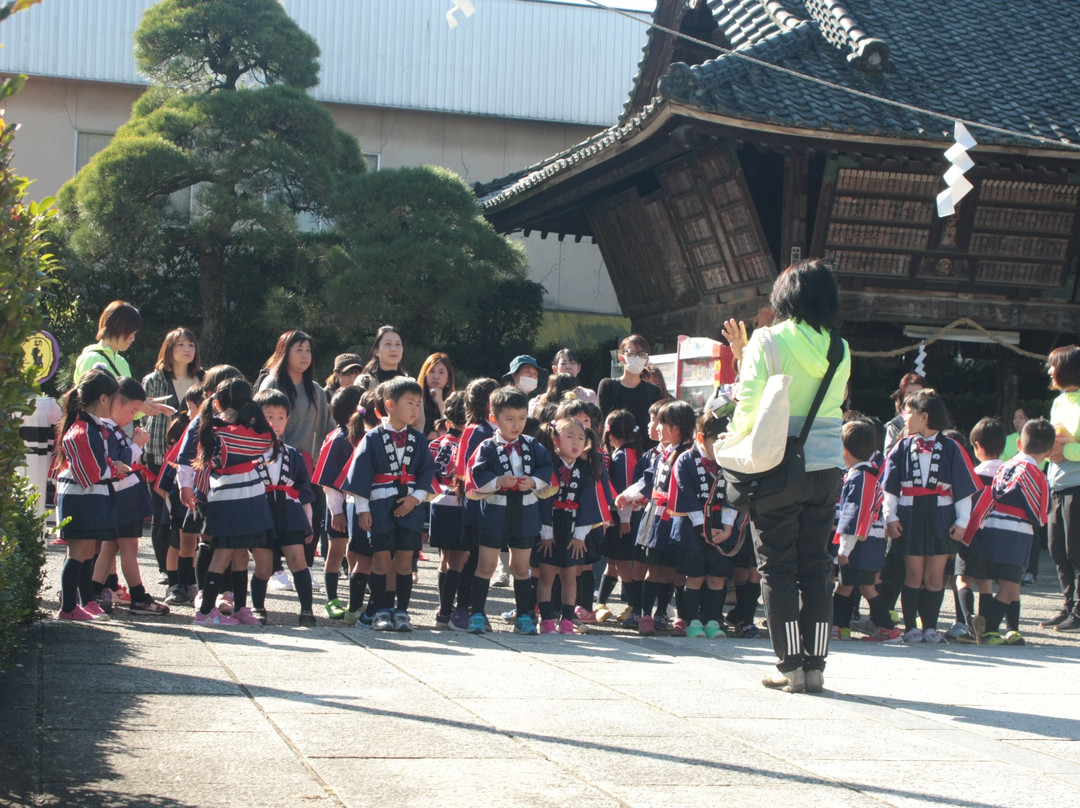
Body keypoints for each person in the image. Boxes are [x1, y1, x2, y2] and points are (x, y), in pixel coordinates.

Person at [728, 259, 851, 694]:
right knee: (817, 566)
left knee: (776, 567)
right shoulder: (840, 347)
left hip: (779, 467)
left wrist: (734, 445)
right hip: (827, 468)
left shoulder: (768, 340)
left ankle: (790, 666)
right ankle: (816, 666)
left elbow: (748, 404)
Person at [882, 389, 982, 645]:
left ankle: (931, 627)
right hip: (910, 513)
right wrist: (890, 516)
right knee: (913, 574)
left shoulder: (951, 447)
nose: (904, 417)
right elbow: (889, 486)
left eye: (909, 412)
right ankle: (910, 628)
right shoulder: (902, 446)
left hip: (941, 515)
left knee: (936, 576)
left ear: (924, 416)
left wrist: (962, 522)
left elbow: (963, 488)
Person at [341, 377, 434, 632]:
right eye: (410, 403)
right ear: (390, 404)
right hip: (380, 504)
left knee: (405, 561)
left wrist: (415, 498)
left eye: (419, 404)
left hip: (410, 505)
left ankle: (402, 611)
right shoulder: (371, 438)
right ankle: (381, 611)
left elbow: (428, 471)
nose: (416, 409)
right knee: (380, 560)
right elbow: (359, 475)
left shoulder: (418, 438)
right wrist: (362, 509)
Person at [183, 377, 279, 626]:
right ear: (250, 402)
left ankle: (239, 607)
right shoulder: (257, 431)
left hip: (229, 496)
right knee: (226, 554)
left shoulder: (212, 430)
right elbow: (269, 445)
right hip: (245, 498)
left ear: (216, 401)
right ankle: (205, 613)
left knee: (237, 554)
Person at [465, 386, 554, 634]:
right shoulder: (487, 446)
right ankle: (478, 614)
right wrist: (497, 482)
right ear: (494, 419)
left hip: (524, 512)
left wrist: (533, 481)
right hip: (494, 511)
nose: (517, 425)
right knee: (486, 565)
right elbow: (476, 474)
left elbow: (546, 468)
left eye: (522, 418)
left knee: (521, 567)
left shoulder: (533, 445)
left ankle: (524, 616)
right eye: (510, 419)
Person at [960, 418, 1054, 645]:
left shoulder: (1006, 465)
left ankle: (984, 626)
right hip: (1016, 533)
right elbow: (1041, 512)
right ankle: (988, 629)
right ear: (1049, 451)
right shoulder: (1036, 474)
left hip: (992, 528)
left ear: (1020, 444)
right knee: (1011, 587)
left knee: (995, 580)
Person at [258, 330, 334, 587]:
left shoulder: (316, 390)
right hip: (274, 462)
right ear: (284, 352)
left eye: (308, 350)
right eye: (298, 350)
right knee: (274, 514)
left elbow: (327, 427)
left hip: (308, 463)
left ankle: (306, 567)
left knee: (311, 516)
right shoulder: (272, 385)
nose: (305, 356)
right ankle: (275, 570)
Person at [90, 377, 169, 617]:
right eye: (132, 410)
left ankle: (93, 592)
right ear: (114, 403)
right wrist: (137, 444)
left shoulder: (112, 429)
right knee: (128, 548)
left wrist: (134, 443)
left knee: (110, 547)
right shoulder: (107, 430)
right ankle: (138, 597)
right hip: (122, 497)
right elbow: (119, 463)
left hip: (122, 496)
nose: (133, 415)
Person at [53, 369, 121, 621]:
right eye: (115, 399)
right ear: (103, 398)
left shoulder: (91, 425)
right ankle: (69, 607)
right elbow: (90, 471)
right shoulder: (82, 429)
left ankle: (85, 602)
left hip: (88, 498)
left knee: (87, 552)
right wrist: (114, 468)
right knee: (78, 553)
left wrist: (110, 467)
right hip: (81, 499)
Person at [670, 404, 740, 639]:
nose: (722, 448)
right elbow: (686, 494)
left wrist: (729, 526)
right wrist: (702, 528)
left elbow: (734, 493)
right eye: (717, 442)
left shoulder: (729, 458)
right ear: (701, 437)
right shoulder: (685, 459)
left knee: (718, 576)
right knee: (695, 576)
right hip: (694, 526)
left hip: (722, 525)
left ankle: (713, 620)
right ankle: (692, 621)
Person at [535, 418, 608, 635]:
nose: (576, 442)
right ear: (556, 440)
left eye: (580, 438)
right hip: (550, 524)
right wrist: (546, 533)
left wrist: (580, 536)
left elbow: (589, 503)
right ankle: (546, 618)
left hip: (575, 526)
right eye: (570, 437)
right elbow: (542, 500)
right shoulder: (548, 464)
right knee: (546, 574)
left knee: (570, 576)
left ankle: (567, 619)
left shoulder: (586, 468)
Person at [142, 328, 204, 583]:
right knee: (162, 516)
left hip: (193, 457)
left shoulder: (204, 378)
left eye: (191, 344)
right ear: (169, 349)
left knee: (189, 515)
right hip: (158, 453)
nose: (187, 349)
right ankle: (166, 570)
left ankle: (186, 571)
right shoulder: (153, 379)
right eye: (180, 345)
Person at [251, 389, 317, 626]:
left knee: (298, 559)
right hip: (260, 511)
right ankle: (258, 607)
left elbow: (304, 490)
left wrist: (308, 520)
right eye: (269, 416)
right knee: (263, 566)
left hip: (289, 512)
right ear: (256, 417)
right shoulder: (250, 452)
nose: (274, 422)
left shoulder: (293, 454)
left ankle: (307, 610)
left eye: (280, 417)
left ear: (287, 420)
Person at [832, 419, 900, 643]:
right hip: (869, 540)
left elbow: (856, 515)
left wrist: (845, 547)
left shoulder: (860, 478)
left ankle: (886, 628)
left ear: (844, 449)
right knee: (849, 584)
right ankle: (839, 626)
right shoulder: (865, 475)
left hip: (862, 541)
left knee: (863, 586)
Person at [949, 417, 1005, 642]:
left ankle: (967, 621)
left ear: (978, 447)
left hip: (973, 533)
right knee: (986, 583)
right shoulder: (1007, 474)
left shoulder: (973, 475)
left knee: (963, 579)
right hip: (996, 535)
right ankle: (986, 627)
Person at [312, 385, 363, 619]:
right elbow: (329, 482)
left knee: (356, 553)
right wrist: (336, 512)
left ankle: (356, 600)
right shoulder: (338, 439)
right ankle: (331, 598)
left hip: (359, 507)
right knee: (335, 552)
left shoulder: (365, 437)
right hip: (340, 508)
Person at [1044, 345, 1080, 632]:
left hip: (1078, 484)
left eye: (1053, 365)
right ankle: (1067, 605)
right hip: (1056, 482)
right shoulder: (1058, 402)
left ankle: (1079, 611)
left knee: (1076, 550)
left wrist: (1066, 451)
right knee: (1057, 549)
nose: (1049, 371)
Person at [595, 409, 642, 623]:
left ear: (610, 433)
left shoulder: (623, 456)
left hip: (625, 517)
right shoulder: (630, 452)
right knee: (613, 562)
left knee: (622, 564)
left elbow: (625, 492)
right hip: (623, 517)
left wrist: (624, 520)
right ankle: (601, 604)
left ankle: (635, 608)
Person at [428, 391, 468, 628]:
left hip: (439, 503)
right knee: (459, 559)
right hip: (459, 503)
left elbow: (428, 474)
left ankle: (442, 608)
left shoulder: (436, 443)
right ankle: (446, 611)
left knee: (444, 558)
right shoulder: (470, 443)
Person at [597, 335, 662, 446]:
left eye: (641, 354)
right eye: (631, 354)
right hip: (614, 452)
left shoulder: (654, 391)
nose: (636, 358)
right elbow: (602, 423)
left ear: (646, 361)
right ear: (621, 358)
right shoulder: (608, 386)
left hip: (645, 455)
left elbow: (657, 426)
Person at [882, 373, 926, 456]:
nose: (914, 398)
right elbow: (889, 456)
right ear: (902, 396)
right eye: (909, 394)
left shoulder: (931, 421)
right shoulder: (895, 425)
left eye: (918, 394)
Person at [355, 325, 408, 392]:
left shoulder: (410, 383)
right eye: (388, 344)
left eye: (398, 344)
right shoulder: (365, 382)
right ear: (376, 351)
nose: (394, 349)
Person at [417, 352, 456, 439]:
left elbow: (454, 429)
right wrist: (439, 434)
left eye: (441, 372)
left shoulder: (455, 400)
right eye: (431, 371)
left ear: (448, 377)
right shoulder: (417, 397)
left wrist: (440, 402)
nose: (436, 376)